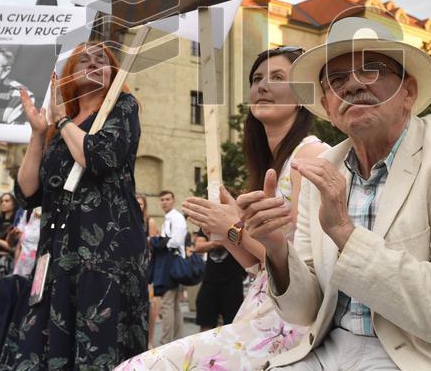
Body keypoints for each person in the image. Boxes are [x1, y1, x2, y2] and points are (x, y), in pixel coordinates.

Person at [239, 15, 431, 369]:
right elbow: (305, 312)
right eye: (337, 80)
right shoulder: (323, 169)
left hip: (414, 357)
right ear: (328, 107)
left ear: (408, 92)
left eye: (371, 70)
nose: (352, 85)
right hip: (326, 351)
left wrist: (345, 234)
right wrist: (277, 250)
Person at [117, 46, 331, 370]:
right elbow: (258, 266)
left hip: (291, 321)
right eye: (256, 78)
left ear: (303, 95)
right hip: (260, 308)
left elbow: (300, 266)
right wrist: (225, 230)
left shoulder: (310, 155)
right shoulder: (270, 164)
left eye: (277, 77)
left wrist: (234, 227)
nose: (263, 86)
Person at [0, 41, 148, 369]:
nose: (93, 63)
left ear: (112, 74)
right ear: (68, 73)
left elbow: (99, 157)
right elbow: (27, 193)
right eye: (84, 59)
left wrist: (64, 122)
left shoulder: (122, 107)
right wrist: (39, 134)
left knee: (95, 351)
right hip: (56, 256)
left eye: (102, 59)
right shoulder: (58, 127)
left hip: (104, 254)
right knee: (35, 351)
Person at [151, 189, 188, 344]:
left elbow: (177, 241)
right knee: (174, 305)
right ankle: (177, 340)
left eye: (167, 199)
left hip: (171, 263)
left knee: (167, 305)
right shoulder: (169, 218)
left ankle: (166, 342)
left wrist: (159, 241)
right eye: (162, 200)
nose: (164, 202)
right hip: (171, 263)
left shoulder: (176, 217)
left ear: (173, 201)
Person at [135, 194, 162, 348]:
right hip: (133, 264)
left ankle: (150, 341)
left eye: (141, 204)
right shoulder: (128, 219)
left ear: (145, 206)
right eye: (136, 203)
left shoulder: (149, 221)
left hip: (147, 266)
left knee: (150, 303)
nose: (138, 206)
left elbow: (153, 243)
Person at [0, 192, 19, 277]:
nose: (3, 203)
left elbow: (13, 247)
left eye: (7, 201)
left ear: (14, 204)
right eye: (2, 201)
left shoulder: (17, 222)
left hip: (7, 261)